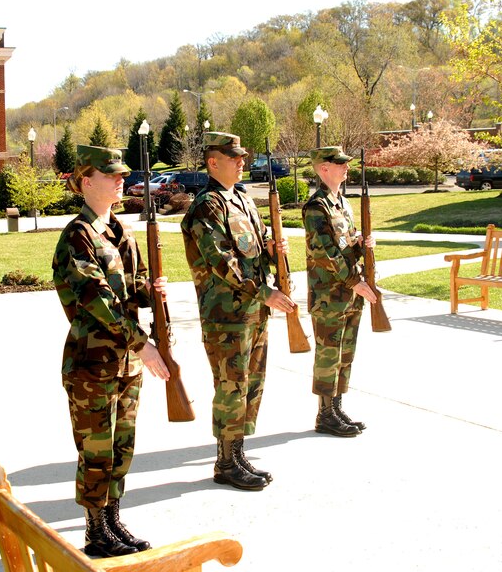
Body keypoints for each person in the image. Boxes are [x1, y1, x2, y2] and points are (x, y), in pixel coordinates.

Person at [52, 145, 171, 558]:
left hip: (127, 363)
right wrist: (143, 343)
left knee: (122, 447)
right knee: (96, 450)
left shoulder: (121, 231)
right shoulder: (77, 236)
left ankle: (112, 518)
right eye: (111, 175)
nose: (122, 179)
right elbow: (98, 300)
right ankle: (94, 530)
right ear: (87, 182)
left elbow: (129, 288)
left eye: (122, 174)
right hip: (93, 363)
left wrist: (152, 290)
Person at [180, 132, 296, 492]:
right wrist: (264, 292)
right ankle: (226, 462)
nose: (241, 161)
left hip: (254, 311)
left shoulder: (243, 199)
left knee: (252, 384)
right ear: (213, 162)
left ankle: (238, 453)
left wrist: (276, 249)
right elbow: (221, 261)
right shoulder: (207, 205)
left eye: (242, 156)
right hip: (225, 315)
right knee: (231, 387)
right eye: (233, 157)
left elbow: (257, 246)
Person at [302, 147, 377, 437]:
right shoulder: (316, 207)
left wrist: (362, 246)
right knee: (328, 355)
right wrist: (353, 282)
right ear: (323, 169)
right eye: (340, 164)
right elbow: (324, 253)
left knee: (345, 353)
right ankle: (324, 414)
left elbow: (345, 248)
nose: (346, 168)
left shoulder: (342, 203)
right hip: (329, 293)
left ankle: (336, 406)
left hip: (349, 291)